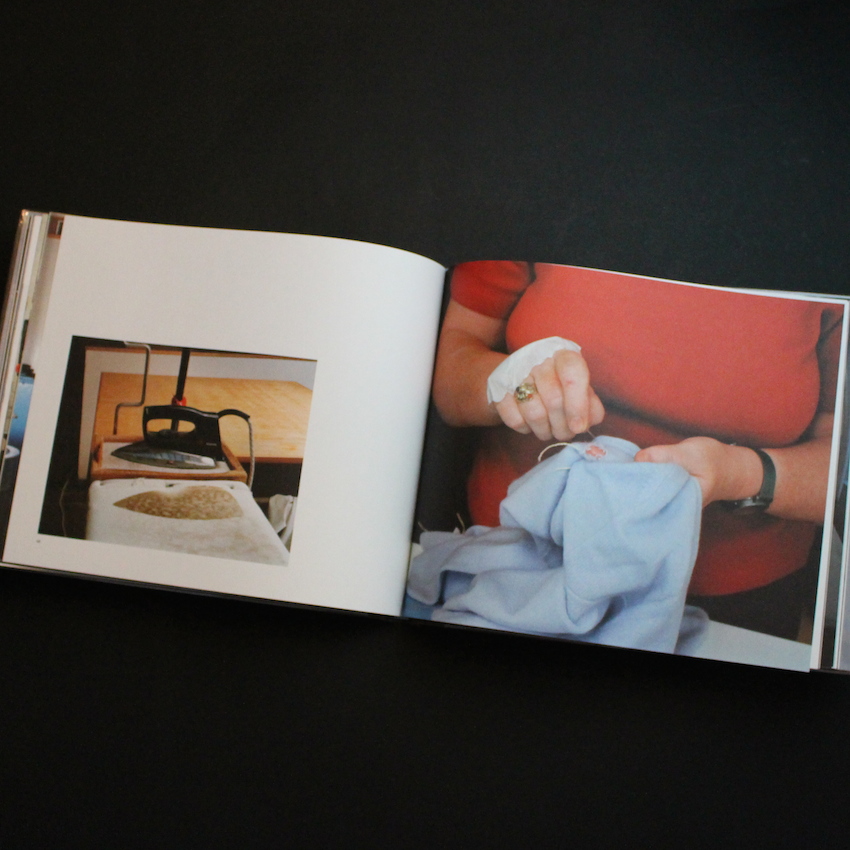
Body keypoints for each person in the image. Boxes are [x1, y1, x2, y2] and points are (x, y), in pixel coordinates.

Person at [431, 261, 843, 629]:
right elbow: (450, 373)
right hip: (515, 559)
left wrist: (739, 475)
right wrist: (508, 382)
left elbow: (838, 464)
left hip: (737, 600)